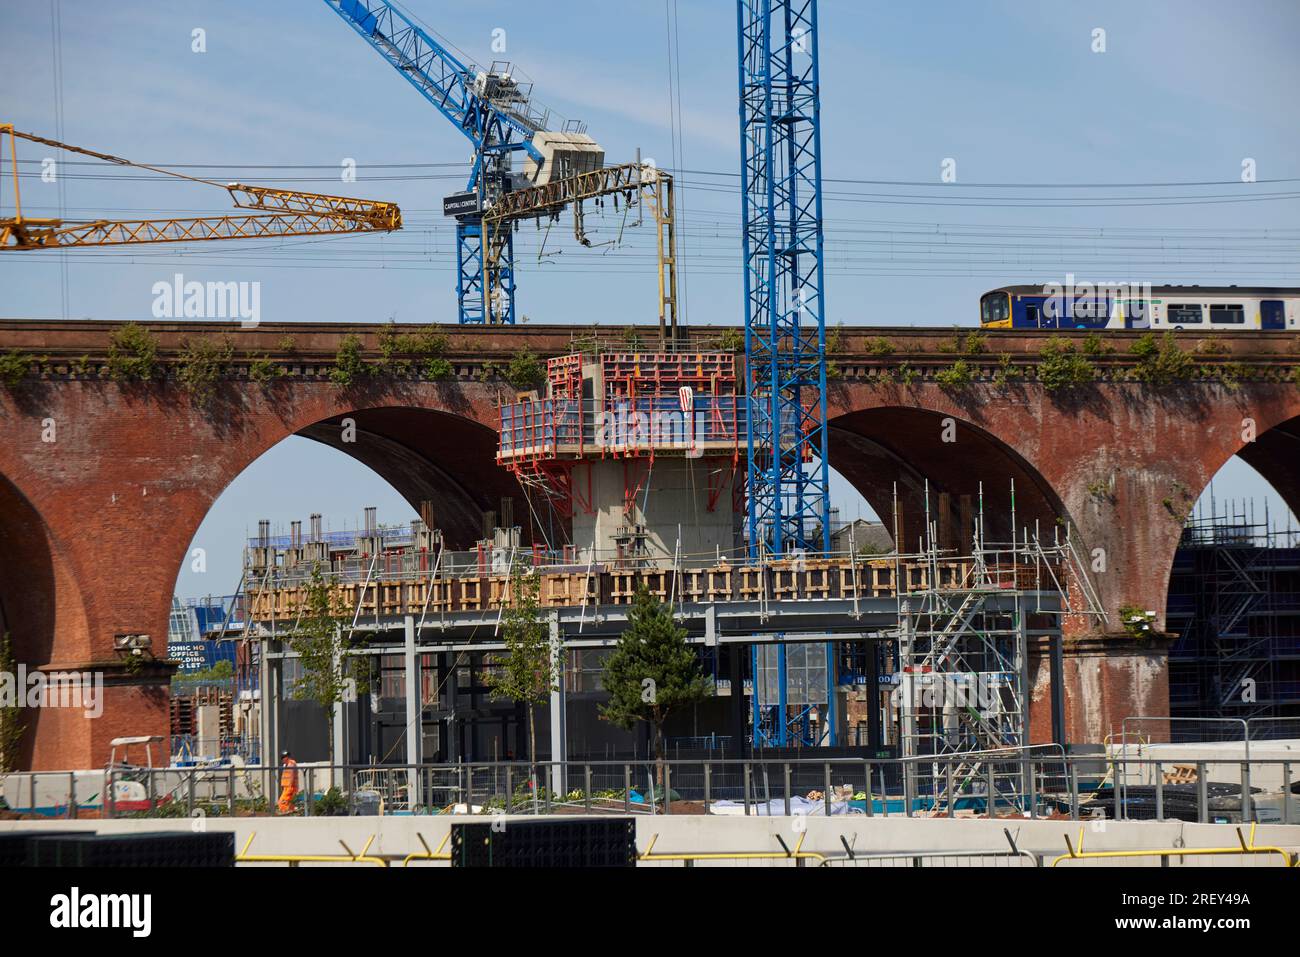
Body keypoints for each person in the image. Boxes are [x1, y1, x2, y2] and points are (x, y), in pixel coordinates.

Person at [277, 750, 299, 814]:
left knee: (282, 802)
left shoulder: (291, 763)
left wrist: (289, 787)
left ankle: (285, 812)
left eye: (283, 757)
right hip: (286, 787)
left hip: (290, 787)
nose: (282, 759)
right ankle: (291, 814)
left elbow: (291, 775)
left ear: (287, 757)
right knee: (289, 803)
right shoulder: (286, 765)